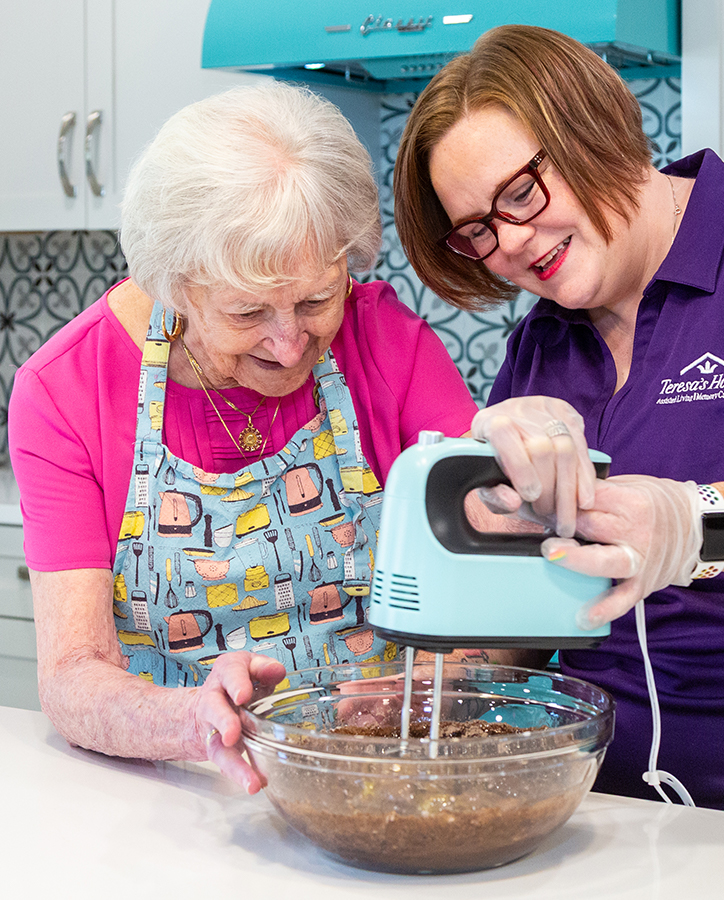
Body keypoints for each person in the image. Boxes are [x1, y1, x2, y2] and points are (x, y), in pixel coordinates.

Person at [8, 80, 588, 794]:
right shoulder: (69, 388)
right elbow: (73, 676)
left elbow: (501, 591)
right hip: (176, 795)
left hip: (387, 779)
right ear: (176, 285)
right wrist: (195, 721)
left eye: (317, 299)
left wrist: (429, 683)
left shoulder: (386, 342)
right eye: (248, 313)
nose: (289, 345)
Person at [393, 24, 724, 832]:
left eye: (520, 192)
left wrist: (698, 525)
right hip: (607, 810)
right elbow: (536, 615)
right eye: (478, 230)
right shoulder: (542, 344)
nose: (510, 243)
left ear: (593, 126)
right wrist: (440, 678)